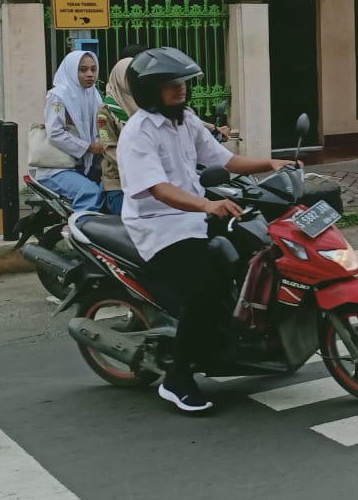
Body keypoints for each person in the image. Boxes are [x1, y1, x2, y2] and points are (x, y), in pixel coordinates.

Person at [116, 47, 295, 414]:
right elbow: (158, 189)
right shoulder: (137, 133)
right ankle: (177, 380)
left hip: (194, 217)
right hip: (159, 227)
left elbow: (224, 160)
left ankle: (246, 339)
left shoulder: (186, 120)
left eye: (182, 82)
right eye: (170, 84)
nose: (180, 89)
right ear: (150, 90)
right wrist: (207, 204)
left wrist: (271, 162)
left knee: (255, 250)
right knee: (206, 286)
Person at [33, 49, 106, 211]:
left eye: (93, 69)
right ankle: (81, 231)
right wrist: (89, 147)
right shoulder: (59, 95)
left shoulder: (94, 95)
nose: (89, 74)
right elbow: (55, 133)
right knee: (90, 192)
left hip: (85, 165)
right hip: (58, 168)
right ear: (72, 70)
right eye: (83, 69)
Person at [94, 45, 146, 215]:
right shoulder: (106, 110)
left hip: (149, 179)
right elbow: (109, 148)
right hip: (119, 181)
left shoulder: (147, 105)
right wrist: (138, 165)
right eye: (128, 78)